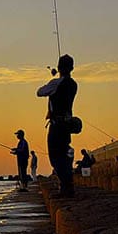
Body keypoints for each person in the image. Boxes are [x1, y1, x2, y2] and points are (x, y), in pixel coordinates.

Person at [37, 54, 78, 197]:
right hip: (66, 124)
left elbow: (40, 92)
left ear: (59, 67)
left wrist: (53, 79)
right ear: (72, 68)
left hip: (56, 125)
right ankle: (67, 186)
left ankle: (65, 187)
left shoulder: (56, 83)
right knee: (64, 153)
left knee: (55, 156)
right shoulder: (73, 84)